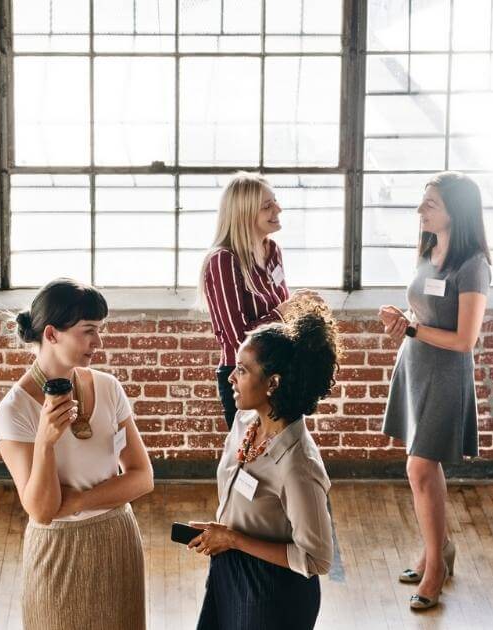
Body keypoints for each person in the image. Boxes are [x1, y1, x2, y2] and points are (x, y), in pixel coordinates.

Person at [0, 278, 155, 630]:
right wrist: (45, 442)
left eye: (100, 330)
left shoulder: (109, 388)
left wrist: (79, 500)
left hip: (117, 541)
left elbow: (142, 478)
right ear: (51, 334)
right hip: (57, 552)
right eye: (88, 331)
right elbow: (41, 509)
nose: (98, 341)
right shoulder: (14, 410)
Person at [188, 301, 341, 630]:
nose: (231, 377)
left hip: (273, 592)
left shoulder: (298, 465)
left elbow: (317, 558)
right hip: (228, 568)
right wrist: (225, 537)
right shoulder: (245, 421)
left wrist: (233, 539)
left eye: (242, 370)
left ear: (272, 383)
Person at [378, 172, 491, 611]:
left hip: (445, 372)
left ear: (455, 212)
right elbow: (425, 308)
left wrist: (412, 327)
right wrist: (403, 318)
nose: (421, 210)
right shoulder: (429, 247)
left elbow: (465, 340)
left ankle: (436, 570)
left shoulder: (473, 264)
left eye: (431, 204)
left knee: (420, 469)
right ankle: (435, 550)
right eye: (423, 201)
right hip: (416, 363)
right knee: (424, 467)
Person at [200, 172, 320, 430]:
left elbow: (283, 312)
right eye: (267, 206)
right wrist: (284, 311)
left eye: (274, 201)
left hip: (280, 372)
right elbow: (237, 339)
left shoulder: (272, 250)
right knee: (251, 458)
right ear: (244, 214)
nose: (278, 209)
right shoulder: (223, 260)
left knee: (283, 454)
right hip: (246, 377)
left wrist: (302, 308)